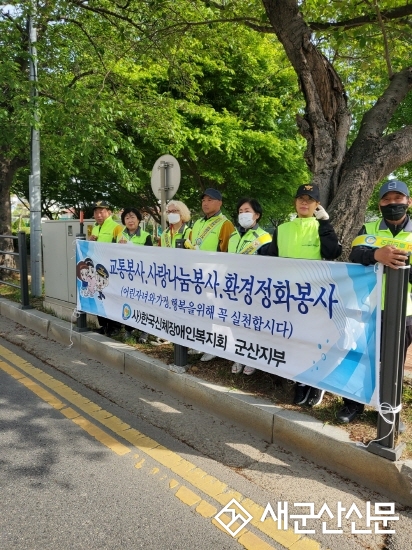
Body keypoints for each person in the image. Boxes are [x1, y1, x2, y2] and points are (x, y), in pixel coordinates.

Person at [338, 179, 412, 423]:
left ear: (408, 202)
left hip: (405, 312)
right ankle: (352, 405)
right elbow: (355, 254)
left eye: (398, 199)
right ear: (379, 204)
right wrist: (376, 255)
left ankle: (389, 412)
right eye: (387, 200)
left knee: (394, 364)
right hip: (367, 309)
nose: (393, 204)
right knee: (359, 358)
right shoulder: (368, 229)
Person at [266, 183, 342, 407]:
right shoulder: (283, 229)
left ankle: (316, 383)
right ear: (295, 202)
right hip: (287, 298)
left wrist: (325, 224)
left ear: (317, 204)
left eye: (310, 199)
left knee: (314, 342)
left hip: (314, 299)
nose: (304, 202)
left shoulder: (321, 227)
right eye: (301, 198)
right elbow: (270, 260)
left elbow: (333, 252)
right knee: (294, 341)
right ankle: (300, 382)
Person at [189, 188, 236, 361]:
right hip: (196, 275)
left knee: (214, 311)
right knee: (199, 310)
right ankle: (200, 342)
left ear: (219, 203)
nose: (205, 203)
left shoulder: (225, 224)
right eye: (203, 200)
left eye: (210, 200)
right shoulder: (197, 223)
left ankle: (215, 346)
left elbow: (228, 252)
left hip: (215, 276)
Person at [228, 197, 272, 375]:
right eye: (240, 211)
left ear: (257, 215)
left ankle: (252, 357)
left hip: (253, 289)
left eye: (247, 211)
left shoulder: (264, 237)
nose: (243, 214)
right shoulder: (233, 235)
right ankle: (238, 355)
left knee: (252, 325)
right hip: (232, 286)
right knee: (235, 323)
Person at [117, 207, 152, 343]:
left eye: (133, 217)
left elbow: (149, 256)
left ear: (138, 219)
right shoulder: (119, 236)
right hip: (125, 276)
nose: (130, 220)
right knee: (127, 302)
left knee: (143, 303)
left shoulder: (146, 236)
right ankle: (128, 330)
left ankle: (145, 331)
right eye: (127, 218)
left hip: (141, 276)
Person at [89, 200, 123, 336]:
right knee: (99, 297)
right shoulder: (95, 227)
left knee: (111, 298)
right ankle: (103, 325)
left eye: (101, 211)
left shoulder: (117, 227)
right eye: (96, 212)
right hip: (97, 269)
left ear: (109, 212)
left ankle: (114, 327)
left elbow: (120, 247)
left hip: (111, 270)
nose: (98, 214)